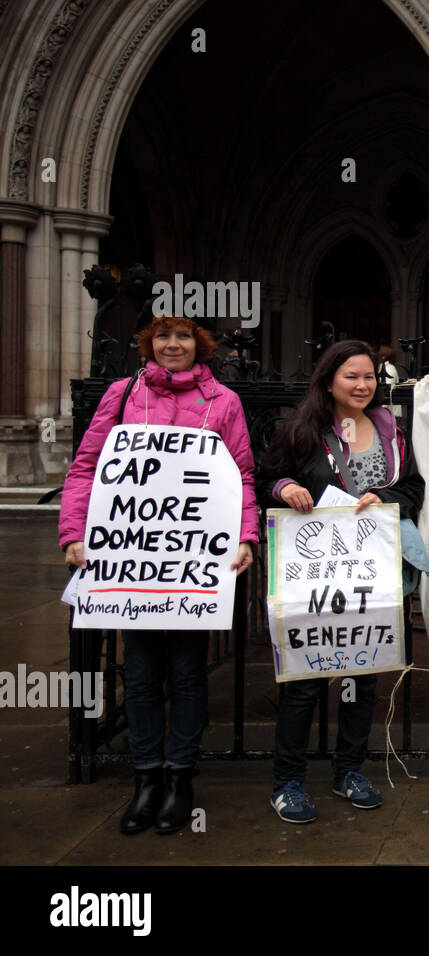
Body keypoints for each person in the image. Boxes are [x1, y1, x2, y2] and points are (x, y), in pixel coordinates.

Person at [59, 315, 257, 835]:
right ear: (150, 344)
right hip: (132, 561)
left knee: (188, 677)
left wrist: (245, 536)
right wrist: (73, 532)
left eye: (184, 336)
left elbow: (240, 474)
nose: (174, 345)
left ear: (199, 345)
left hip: (193, 564)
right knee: (143, 675)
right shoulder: (123, 395)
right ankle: (146, 778)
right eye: (163, 337)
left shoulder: (224, 402)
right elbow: (87, 467)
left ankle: (179, 777)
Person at [256, 340, 424, 824]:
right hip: (313, 576)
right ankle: (287, 783)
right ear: (329, 379)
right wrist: (284, 488)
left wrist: (386, 496)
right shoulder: (302, 429)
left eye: (369, 376)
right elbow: (265, 477)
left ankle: (348, 771)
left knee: (360, 678)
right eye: (351, 376)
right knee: (304, 685)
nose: (362, 385)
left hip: (369, 573)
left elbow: (414, 488)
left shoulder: (392, 430)